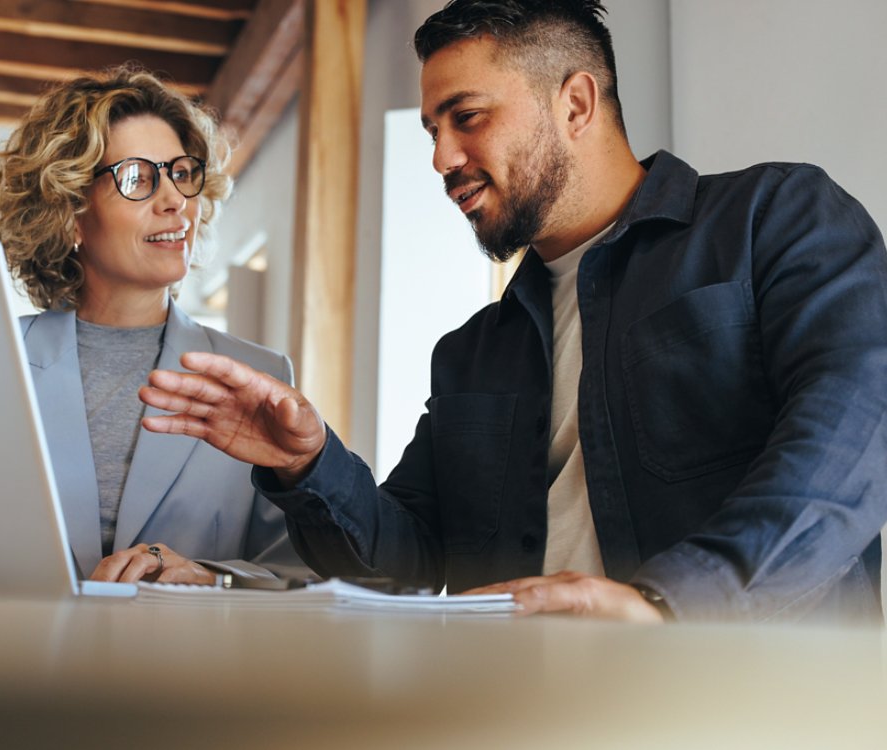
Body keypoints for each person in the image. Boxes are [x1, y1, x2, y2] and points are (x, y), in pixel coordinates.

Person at [138, 1, 887, 624]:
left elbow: (859, 426)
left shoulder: (773, 218)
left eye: (467, 117)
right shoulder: (472, 351)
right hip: (523, 710)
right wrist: (306, 463)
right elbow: (408, 560)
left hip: (751, 707)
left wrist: (668, 604)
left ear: (576, 104)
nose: (441, 157)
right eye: (434, 130)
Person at [0, 65, 308, 585]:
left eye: (181, 173)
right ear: (70, 212)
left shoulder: (257, 374)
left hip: (184, 665)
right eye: (137, 178)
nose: (175, 201)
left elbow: (301, 570)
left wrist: (210, 577)